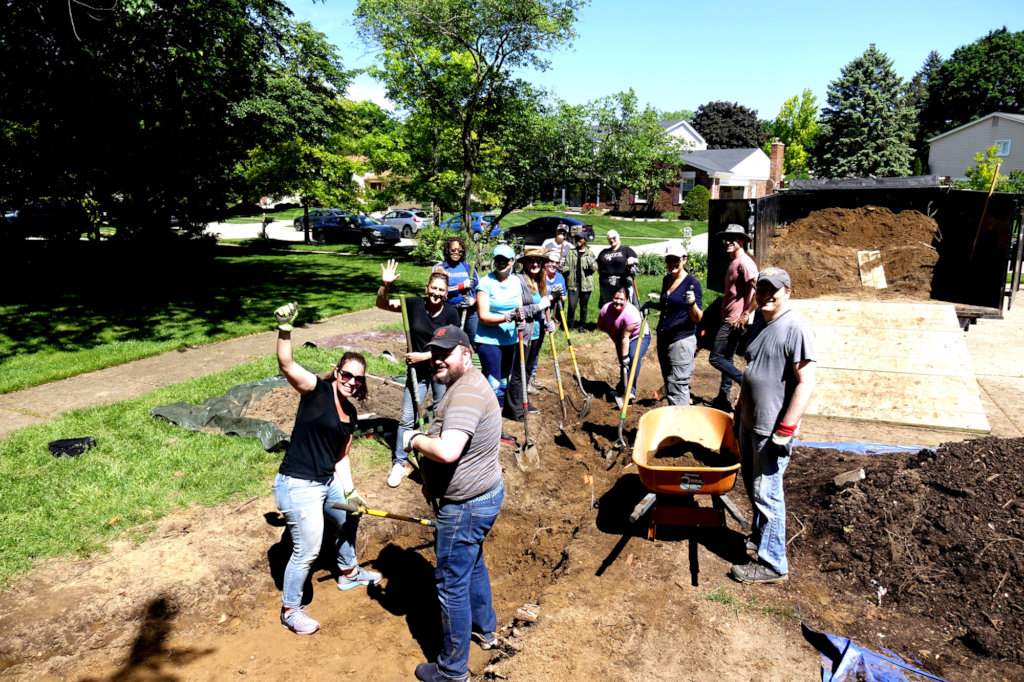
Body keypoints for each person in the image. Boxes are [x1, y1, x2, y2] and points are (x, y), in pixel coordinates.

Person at [269, 302, 381, 636]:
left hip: (326, 479)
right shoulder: (315, 391)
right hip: (297, 484)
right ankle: (291, 610)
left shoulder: (351, 414)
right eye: (346, 375)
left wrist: (350, 492)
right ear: (337, 371)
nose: (350, 382)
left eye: (357, 379)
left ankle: (348, 573)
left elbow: (341, 457)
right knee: (308, 550)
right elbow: (287, 363)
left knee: (352, 513)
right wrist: (285, 327)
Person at [401, 325, 504, 682]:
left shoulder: (466, 395)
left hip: (466, 506)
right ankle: (485, 629)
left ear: (466, 354)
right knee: (472, 562)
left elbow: (447, 451)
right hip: (484, 495)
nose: (439, 359)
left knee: (449, 583)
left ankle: (452, 671)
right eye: (435, 352)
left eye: (447, 352)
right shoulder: (464, 385)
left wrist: (414, 440)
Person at [730, 267, 816, 585]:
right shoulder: (761, 325)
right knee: (754, 490)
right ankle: (759, 539)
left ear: (787, 292)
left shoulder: (796, 327)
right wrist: (739, 411)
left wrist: (787, 428)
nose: (766, 294)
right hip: (750, 423)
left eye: (772, 290)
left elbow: (806, 383)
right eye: (761, 289)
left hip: (771, 430)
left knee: (768, 494)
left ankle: (773, 564)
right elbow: (753, 372)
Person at [377, 260, 459, 488]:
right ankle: (400, 462)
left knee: (442, 415)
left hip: (441, 371)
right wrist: (385, 285)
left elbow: (453, 347)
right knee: (406, 417)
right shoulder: (412, 305)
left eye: (441, 290)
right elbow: (382, 304)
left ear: (446, 293)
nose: (437, 293)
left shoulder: (451, 313)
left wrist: (423, 356)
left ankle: (438, 455)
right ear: (427, 287)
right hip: (417, 374)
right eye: (434, 288)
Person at [474, 244, 523, 444]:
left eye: (506, 259)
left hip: (510, 340)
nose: (502, 262)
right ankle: (488, 429)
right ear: (494, 261)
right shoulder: (486, 283)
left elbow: (519, 308)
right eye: (498, 259)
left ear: (512, 262)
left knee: (503, 384)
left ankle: (495, 426)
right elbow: (483, 316)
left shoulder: (516, 282)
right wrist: (507, 317)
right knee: (494, 385)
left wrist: (520, 318)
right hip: (488, 340)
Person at [708, 224, 758, 412]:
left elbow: (759, 290)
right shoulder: (735, 261)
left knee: (716, 358)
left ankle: (745, 383)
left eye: (733, 238)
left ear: (742, 241)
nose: (728, 242)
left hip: (734, 321)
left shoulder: (745, 263)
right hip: (730, 317)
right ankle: (723, 398)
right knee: (727, 358)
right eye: (726, 238)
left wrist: (745, 314)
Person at [648, 243, 703, 406]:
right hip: (664, 338)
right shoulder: (667, 280)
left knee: (679, 385)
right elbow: (668, 305)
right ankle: (675, 420)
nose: (672, 264)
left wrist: (692, 303)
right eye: (669, 260)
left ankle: (681, 425)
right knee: (669, 382)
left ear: (684, 260)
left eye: (676, 260)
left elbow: (697, 318)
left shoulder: (692, 284)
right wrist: (650, 305)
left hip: (681, 341)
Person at [504, 246, 551, 420]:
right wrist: (538, 307)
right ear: (525, 263)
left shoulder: (540, 281)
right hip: (524, 332)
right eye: (531, 261)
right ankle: (514, 409)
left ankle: (524, 402)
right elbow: (519, 308)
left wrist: (549, 321)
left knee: (528, 370)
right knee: (519, 371)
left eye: (538, 261)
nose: (534, 264)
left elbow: (545, 304)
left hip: (537, 332)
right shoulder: (519, 281)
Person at [597, 286, 652, 406]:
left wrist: (625, 355)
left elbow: (625, 338)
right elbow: (600, 325)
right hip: (619, 337)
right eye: (616, 298)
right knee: (623, 363)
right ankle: (622, 389)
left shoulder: (630, 314)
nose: (618, 301)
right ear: (612, 298)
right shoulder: (606, 309)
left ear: (626, 300)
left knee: (632, 358)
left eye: (622, 299)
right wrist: (612, 333)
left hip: (638, 336)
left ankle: (630, 391)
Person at [528, 249, 566, 394]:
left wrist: (559, 294)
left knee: (537, 348)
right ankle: (528, 378)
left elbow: (563, 298)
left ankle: (533, 375)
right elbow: (537, 298)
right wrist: (551, 296)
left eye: (557, 263)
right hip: (535, 317)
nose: (553, 264)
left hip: (549, 316)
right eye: (550, 261)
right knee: (531, 348)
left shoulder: (560, 278)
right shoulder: (539, 276)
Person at [435, 236, 479, 342]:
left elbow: (479, 290)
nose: (456, 252)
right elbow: (439, 290)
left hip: (470, 312)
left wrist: (473, 301)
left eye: (460, 250)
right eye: (453, 250)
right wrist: (461, 286)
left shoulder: (468, 268)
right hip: (449, 310)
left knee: (474, 341)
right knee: (450, 340)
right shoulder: (440, 268)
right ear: (447, 250)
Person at [562, 232, 596, 333]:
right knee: (572, 305)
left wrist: (591, 265)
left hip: (586, 284)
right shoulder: (571, 252)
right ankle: (569, 326)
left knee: (584, 306)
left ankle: (581, 327)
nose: (577, 241)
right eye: (576, 239)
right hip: (573, 282)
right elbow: (567, 265)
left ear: (584, 240)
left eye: (580, 239)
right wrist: (563, 268)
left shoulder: (590, 253)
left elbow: (593, 269)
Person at [596, 230, 638, 307]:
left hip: (622, 284)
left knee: (623, 307)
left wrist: (632, 259)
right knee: (608, 307)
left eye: (614, 238)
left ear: (618, 237)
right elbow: (597, 264)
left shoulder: (626, 250)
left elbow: (636, 260)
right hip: (606, 285)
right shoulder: (604, 252)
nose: (611, 240)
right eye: (609, 239)